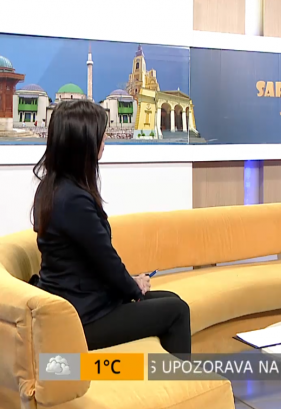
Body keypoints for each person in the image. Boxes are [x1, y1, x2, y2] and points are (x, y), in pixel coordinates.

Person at [32, 99, 191, 355]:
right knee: (178, 311)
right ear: (83, 143)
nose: (105, 140)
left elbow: (93, 261)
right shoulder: (72, 200)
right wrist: (134, 287)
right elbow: (106, 260)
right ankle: (179, 379)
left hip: (83, 301)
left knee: (171, 299)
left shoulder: (53, 188)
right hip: (83, 317)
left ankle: (163, 373)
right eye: (101, 136)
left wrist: (132, 284)